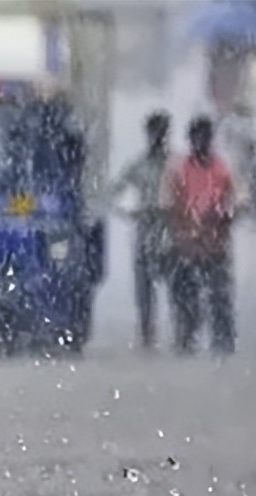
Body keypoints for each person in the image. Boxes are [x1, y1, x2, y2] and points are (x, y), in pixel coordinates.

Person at [161, 115, 237, 355]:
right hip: (186, 245)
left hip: (215, 244)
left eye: (205, 137)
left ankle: (223, 342)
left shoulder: (222, 169)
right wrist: (182, 232)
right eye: (197, 138)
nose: (201, 142)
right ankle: (186, 339)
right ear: (191, 140)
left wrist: (222, 215)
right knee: (185, 297)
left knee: (220, 297)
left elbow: (235, 200)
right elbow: (168, 204)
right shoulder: (179, 170)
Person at [109, 111, 173, 349]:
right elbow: (114, 192)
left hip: (171, 234)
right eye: (154, 132)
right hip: (145, 232)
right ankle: (147, 334)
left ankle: (182, 336)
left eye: (161, 132)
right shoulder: (138, 165)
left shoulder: (175, 166)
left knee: (178, 290)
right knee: (144, 291)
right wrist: (130, 212)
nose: (157, 137)